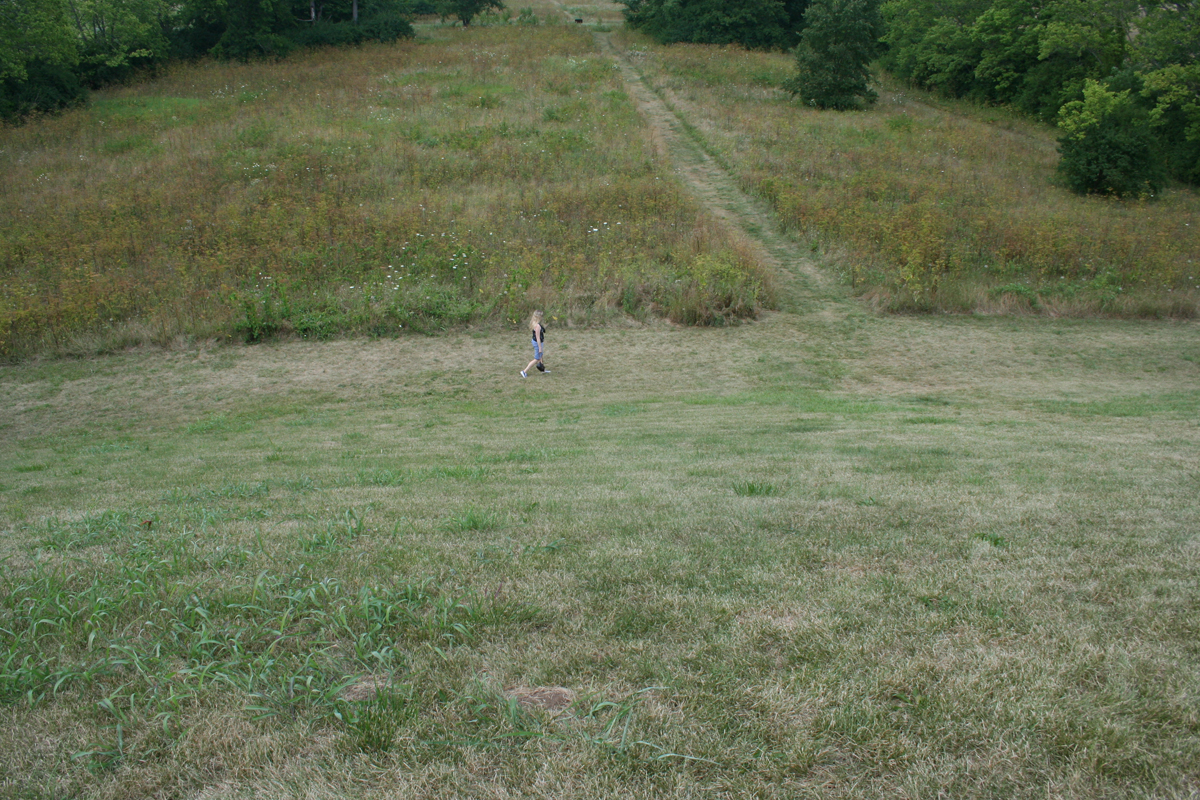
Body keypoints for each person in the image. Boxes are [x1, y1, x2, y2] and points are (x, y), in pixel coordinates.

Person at [521, 310, 549, 377]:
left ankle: (542, 370)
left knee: (541, 356)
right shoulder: (537, 326)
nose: (542, 317)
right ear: (538, 316)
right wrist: (540, 348)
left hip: (537, 342)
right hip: (537, 343)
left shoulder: (535, 323)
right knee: (537, 358)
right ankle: (524, 371)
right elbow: (538, 338)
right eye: (541, 316)